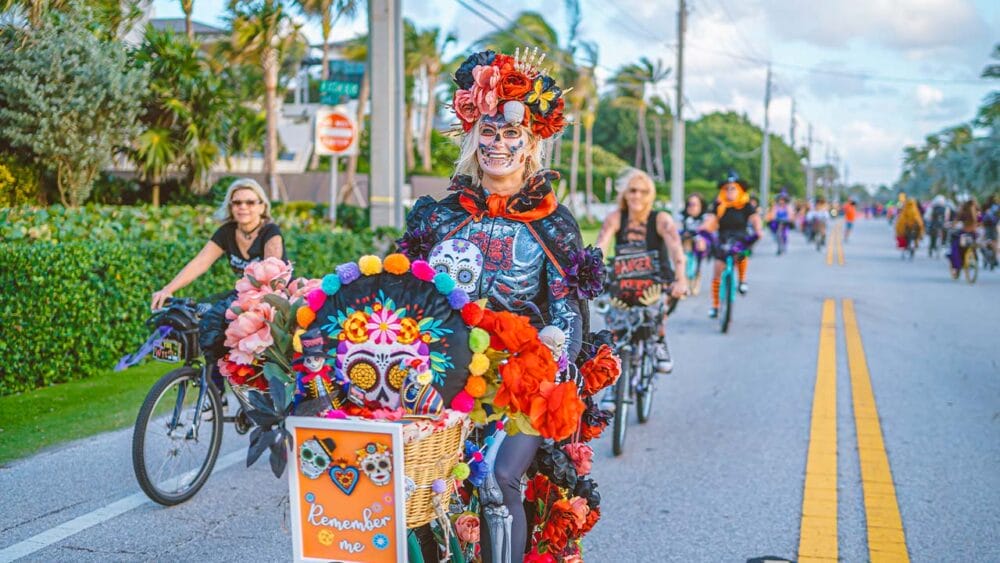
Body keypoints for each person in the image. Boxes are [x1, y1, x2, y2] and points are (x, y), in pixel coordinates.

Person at [401, 49, 586, 563]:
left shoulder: (551, 221)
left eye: (510, 135)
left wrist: (555, 360)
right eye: (488, 131)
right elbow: (411, 292)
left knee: (496, 478)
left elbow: (567, 309)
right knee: (425, 488)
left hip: (523, 376)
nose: (497, 144)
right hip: (447, 371)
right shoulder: (440, 217)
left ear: (530, 146)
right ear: (471, 136)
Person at [150, 178, 285, 402]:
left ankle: (265, 396)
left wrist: (255, 300)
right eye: (237, 202)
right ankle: (216, 394)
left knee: (256, 347)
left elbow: (273, 266)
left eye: (250, 202)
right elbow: (200, 262)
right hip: (243, 297)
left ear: (262, 206)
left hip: (272, 296)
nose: (243, 207)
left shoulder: (271, 231)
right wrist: (167, 289)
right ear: (231, 207)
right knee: (208, 323)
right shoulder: (227, 232)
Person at [594, 168, 688, 371]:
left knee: (655, 315)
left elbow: (677, 251)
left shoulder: (661, 219)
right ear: (625, 194)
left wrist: (681, 280)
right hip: (623, 279)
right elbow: (600, 245)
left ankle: (659, 342)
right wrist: (593, 273)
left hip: (656, 279)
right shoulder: (616, 217)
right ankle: (612, 380)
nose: (637, 196)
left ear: (650, 195)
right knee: (614, 328)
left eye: (643, 191)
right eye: (633, 190)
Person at [701, 177, 763, 318]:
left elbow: (755, 218)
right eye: (727, 188)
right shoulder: (719, 205)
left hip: (740, 237)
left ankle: (742, 281)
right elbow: (711, 219)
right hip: (723, 239)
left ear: (739, 190)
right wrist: (703, 229)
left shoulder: (745, 205)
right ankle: (715, 306)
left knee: (741, 254)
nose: (729, 191)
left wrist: (758, 229)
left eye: (733, 188)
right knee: (717, 270)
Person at [948, 198, 980, 275]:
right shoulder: (978, 213)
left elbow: (955, 222)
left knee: (955, 247)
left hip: (964, 234)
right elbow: (981, 222)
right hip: (974, 234)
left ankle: (956, 267)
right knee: (973, 246)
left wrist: (952, 225)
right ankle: (973, 259)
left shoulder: (963, 212)